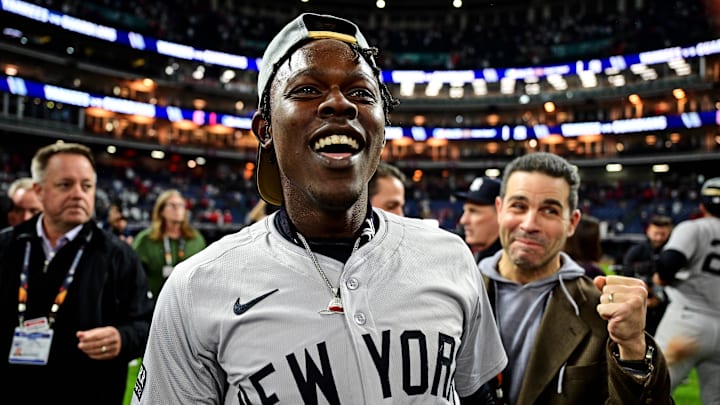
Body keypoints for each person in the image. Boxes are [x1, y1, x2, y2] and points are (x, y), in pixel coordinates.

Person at [132, 13, 507, 404]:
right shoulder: (196, 287)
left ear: (383, 126)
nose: (339, 104)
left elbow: (476, 393)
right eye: (307, 89)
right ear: (265, 130)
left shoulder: (449, 257)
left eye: (362, 93)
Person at [477, 152, 672, 404]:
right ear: (500, 210)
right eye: (519, 206)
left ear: (572, 222)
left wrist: (633, 346)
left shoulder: (601, 311)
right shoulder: (455, 294)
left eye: (549, 210)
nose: (529, 223)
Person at [0, 142, 154, 405]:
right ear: (39, 190)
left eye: (86, 186)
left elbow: (148, 323)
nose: (78, 194)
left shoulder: (119, 255)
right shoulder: (7, 245)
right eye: (65, 185)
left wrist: (122, 337)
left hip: (89, 393)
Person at [653, 177, 720, 404]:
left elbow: (669, 262)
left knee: (651, 391)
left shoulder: (694, 227)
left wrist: (660, 278)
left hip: (687, 320)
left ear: (701, 205)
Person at [132, 189, 206, 298]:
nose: (178, 209)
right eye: (172, 205)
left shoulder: (195, 239)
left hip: (188, 303)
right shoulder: (146, 239)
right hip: (153, 303)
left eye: (181, 205)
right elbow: (133, 274)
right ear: (161, 211)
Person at [622, 214, 673, 335]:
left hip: (666, 303)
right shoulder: (637, 250)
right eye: (656, 233)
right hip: (639, 299)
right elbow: (627, 270)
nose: (659, 238)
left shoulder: (672, 252)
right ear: (648, 230)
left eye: (663, 234)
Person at [455, 176, 502, 263]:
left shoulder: (506, 267)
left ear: (500, 214)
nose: (463, 220)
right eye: (464, 211)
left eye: (473, 211)